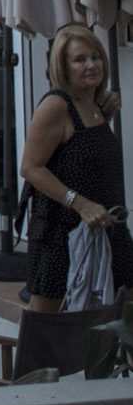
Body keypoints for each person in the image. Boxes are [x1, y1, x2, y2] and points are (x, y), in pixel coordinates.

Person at [22, 23, 130, 314]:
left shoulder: (94, 103)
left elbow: (81, 153)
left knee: (124, 302)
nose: (91, 65)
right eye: (80, 60)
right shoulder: (56, 105)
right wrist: (80, 204)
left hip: (107, 225)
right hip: (63, 231)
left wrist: (103, 114)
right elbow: (30, 167)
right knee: (47, 313)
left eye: (95, 56)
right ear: (63, 67)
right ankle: (30, 362)